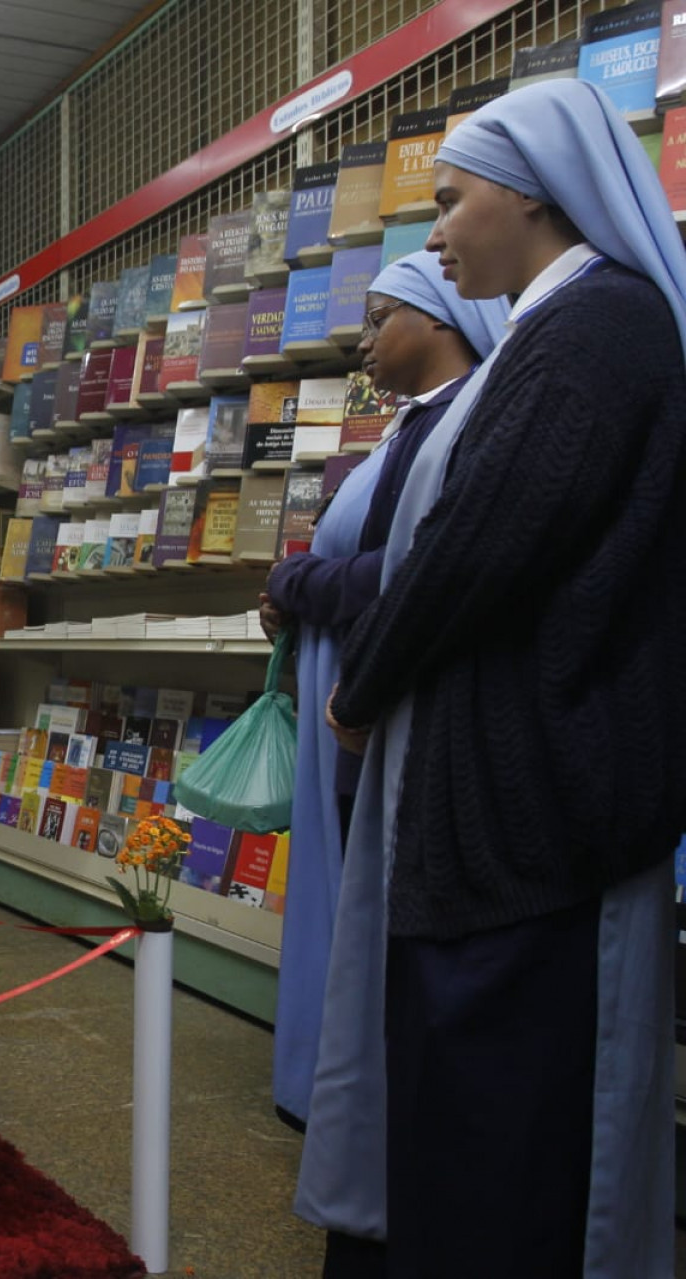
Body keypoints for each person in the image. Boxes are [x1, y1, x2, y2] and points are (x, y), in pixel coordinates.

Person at [305, 80, 683, 1276]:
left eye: (454, 200)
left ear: (530, 192)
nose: (437, 232)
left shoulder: (596, 329)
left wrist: (359, 689)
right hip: (500, 813)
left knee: (501, 1141)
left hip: (529, 819)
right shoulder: (556, 329)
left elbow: (475, 550)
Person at [260, 251, 508, 1277]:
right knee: (329, 896)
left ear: (443, 317)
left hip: (376, 711)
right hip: (341, 697)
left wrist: (297, 580)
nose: (365, 340)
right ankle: (324, 1079)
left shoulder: (458, 423)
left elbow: (399, 576)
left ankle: (350, 1090)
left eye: (382, 316)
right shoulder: (402, 428)